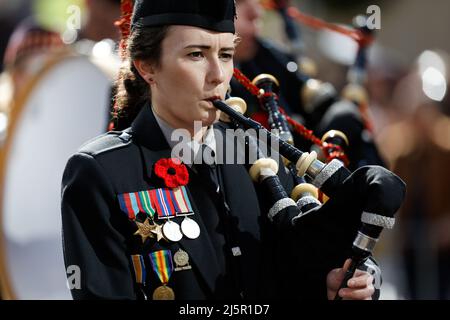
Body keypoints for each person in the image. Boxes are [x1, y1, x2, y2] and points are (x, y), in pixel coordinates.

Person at [61, 0, 376, 300]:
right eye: (196, 54)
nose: (218, 75)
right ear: (147, 66)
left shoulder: (262, 156)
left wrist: (332, 286)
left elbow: (292, 276)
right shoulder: (100, 173)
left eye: (226, 54)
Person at [231, 0, 386, 171]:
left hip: (299, 167)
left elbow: (321, 106)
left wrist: (320, 151)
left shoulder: (263, 58)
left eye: (258, 20)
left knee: (345, 117)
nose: (256, 30)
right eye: (251, 19)